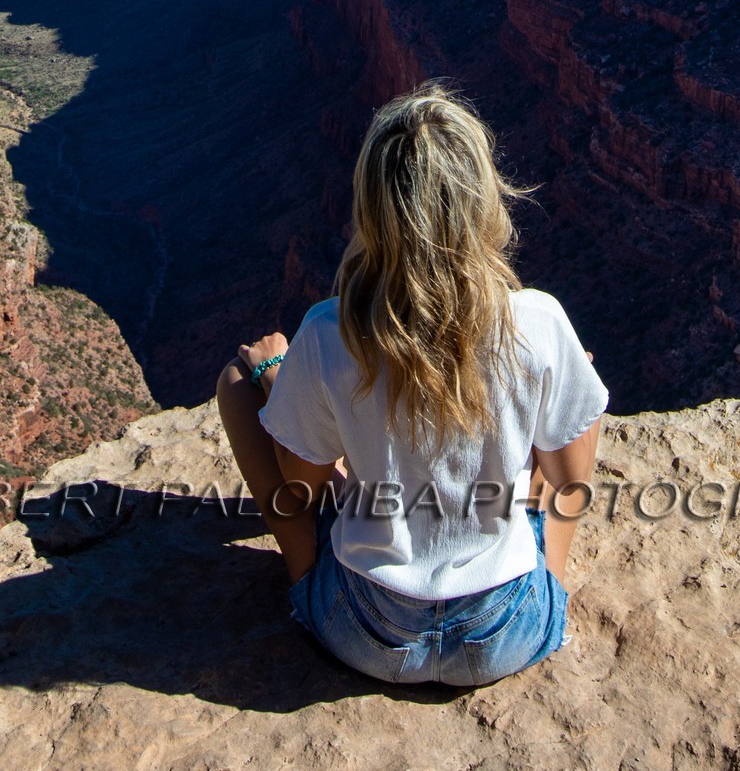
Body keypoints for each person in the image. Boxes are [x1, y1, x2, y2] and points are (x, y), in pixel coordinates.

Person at [216, 83, 607, 687]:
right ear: (482, 199)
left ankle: (304, 580)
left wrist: (275, 378)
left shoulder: (327, 331)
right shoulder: (539, 322)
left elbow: (300, 486)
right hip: (505, 633)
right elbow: (570, 485)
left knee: (235, 382)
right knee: (576, 382)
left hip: (366, 632)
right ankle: (549, 582)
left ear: (373, 210)